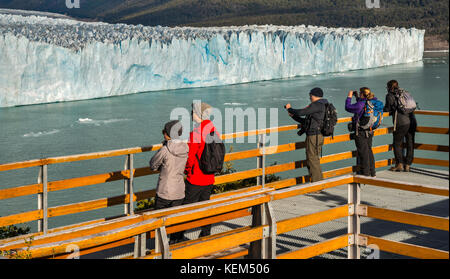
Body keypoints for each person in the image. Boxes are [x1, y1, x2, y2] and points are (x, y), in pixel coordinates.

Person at [172, 101, 219, 242]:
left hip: (196, 177)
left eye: (192, 111)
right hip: (209, 177)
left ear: (198, 114)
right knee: (205, 206)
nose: (191, 113)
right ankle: (205, 234)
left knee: (185, 208)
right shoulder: (213, 130)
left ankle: (176, 238)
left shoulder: (196, 133)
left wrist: (186, 170)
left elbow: (190, 157)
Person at [149, 120, 189, 242]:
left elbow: (153, 164)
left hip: (164, 191)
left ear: (167, 134)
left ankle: (161, 247)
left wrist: (164, 145)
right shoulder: (185, 148)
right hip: (179, 190)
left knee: (159, 222)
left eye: (164, 132)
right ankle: (174, 244)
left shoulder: (165, 150)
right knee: (175, 221)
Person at [285, 87, 329, 182]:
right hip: (317, 135)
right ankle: (318, 182)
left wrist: (290, 108)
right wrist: (293, 116)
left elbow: (301, 112)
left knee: (312, 160)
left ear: (314, 95)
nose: (309, 97)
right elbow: (305, 121)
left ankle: (316, 185)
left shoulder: (317, 105)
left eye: (310, 95)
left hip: (314, 136)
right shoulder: (323, 104)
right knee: (314, 160)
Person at [345, 87, 380, 177]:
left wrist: (349, 97)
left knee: (363, 153)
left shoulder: (360, 104)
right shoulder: (372, 102)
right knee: (369, 150)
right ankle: (372, 172)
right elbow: (361, 104)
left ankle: (366, 174)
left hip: (361, 132)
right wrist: (357, 97)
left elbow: (348, 107)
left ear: (362, 94)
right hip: (370, 130)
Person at [383, 80, 417, 172]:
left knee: (397, 144)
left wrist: (382, 109)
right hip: (412, 121)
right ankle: (408, 165)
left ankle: (399, 164)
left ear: (389, 87)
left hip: (402, 123)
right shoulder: (404, 92)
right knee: (410, 143)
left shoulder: (390, 95)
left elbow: (388, 108)